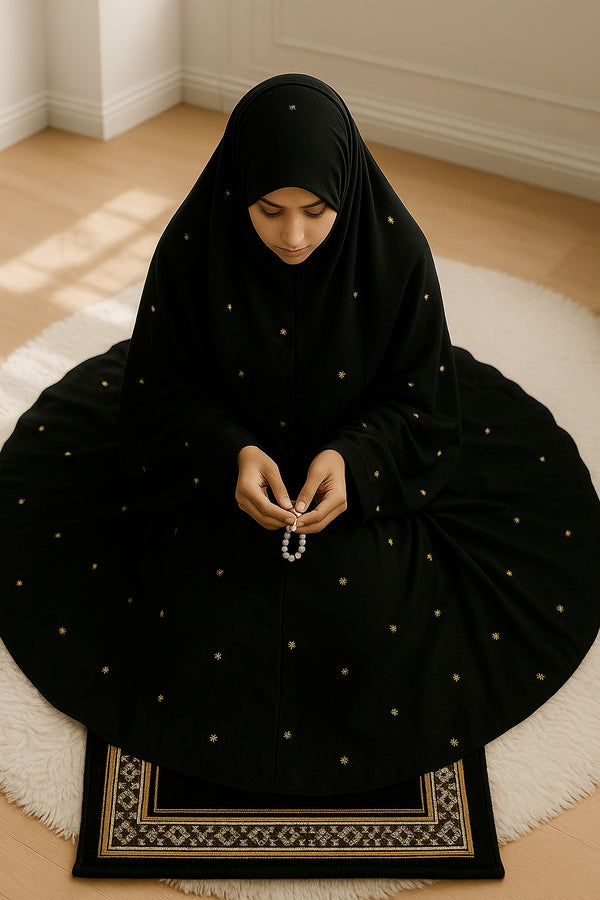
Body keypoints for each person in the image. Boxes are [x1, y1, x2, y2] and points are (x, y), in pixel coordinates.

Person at [0, 74, 598, 797]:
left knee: (374, 614)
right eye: (268, 209)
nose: (293, 236)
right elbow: (162, 399)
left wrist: (356, 460)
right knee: (191, 616)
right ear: (237, 191)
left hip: (358, 465)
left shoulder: (395, 251)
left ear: (345, 188)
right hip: (208, 475)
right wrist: (233, 453)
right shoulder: (193, 250)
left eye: (317, 211)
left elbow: (420, 404)